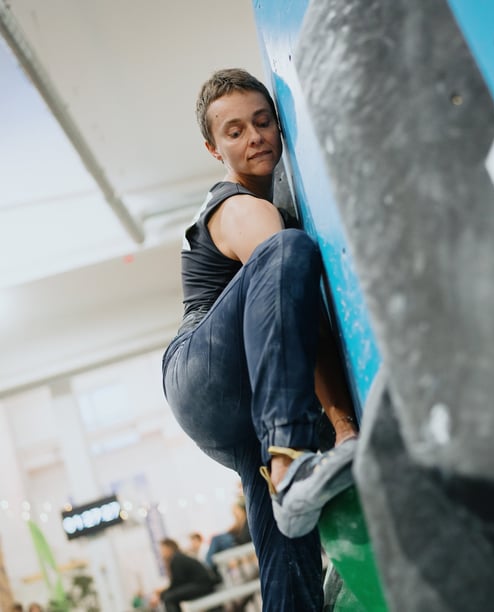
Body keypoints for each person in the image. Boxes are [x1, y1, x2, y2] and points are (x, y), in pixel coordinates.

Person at [162, 68, 359, 611]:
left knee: (286, 548)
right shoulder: (239, 208)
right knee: (290, 251)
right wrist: (338, 427)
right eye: (233, 131)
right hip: (202, 372)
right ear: (213, 148)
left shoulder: (277, 209)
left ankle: (284, 468)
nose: (253, 138)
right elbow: (297, 317)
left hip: (243, 411)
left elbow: (291, 331)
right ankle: (289, 460)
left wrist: (342, 434)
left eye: (262, 121)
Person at [150, 538, 215, 612]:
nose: (161, 553)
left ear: (169, 548)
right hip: (202, 584)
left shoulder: (176, 559)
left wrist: (162, 593)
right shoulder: (178, 557)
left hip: (203, 585)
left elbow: (177, 583)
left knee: (168, 597)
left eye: (162, 550)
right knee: (168, 596)